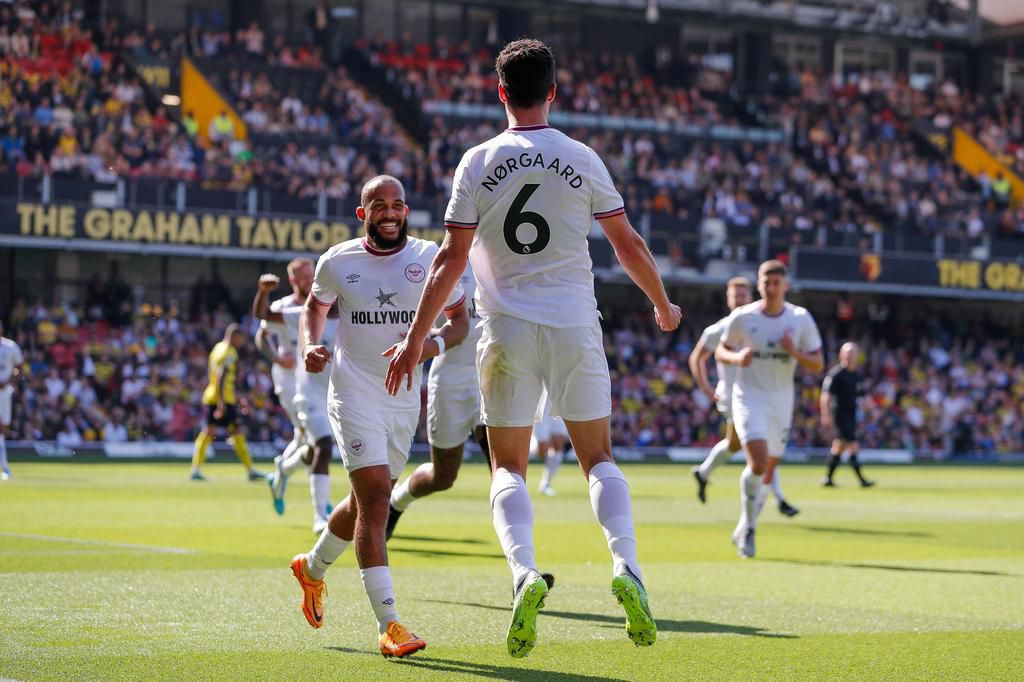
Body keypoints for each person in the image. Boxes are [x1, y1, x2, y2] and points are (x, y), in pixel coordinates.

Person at [383, 38, 682, 658]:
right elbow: (627, 243)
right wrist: (662, 303)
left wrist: (414, 340)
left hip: (505, 330)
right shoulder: (582, 157)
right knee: (598, 459)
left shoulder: (477, 161)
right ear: (553, 92)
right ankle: (627, 566)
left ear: (501, 93)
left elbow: (450, 259)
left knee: (508, 468)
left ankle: (524, 573)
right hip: (574, 324)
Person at [288, 175, 470, 658]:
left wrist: (427, 347)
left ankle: (311, 568)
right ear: (362, 213)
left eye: (397, 205)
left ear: (406, 211)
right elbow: (314, 308)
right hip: (353, 395)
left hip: (403, 399)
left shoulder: (429, 257)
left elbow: (460, 323)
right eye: (379, 205)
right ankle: (390, 625)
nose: (389, 213)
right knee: (374, 502)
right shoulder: (338, 260)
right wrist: (309, 345)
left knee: (365, 501)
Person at [716, 260, 823, 559]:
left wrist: (793, 351)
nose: (771, 288)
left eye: (776, 283)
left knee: (766, 470)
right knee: (759, 462)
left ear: (785, 286)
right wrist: (737, 359)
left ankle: (744, 524)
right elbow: (721, 350)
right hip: (748, 398)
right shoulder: (743, 317)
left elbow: (818, 363)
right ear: (759, 284)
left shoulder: (800, 318)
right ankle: (750, 529)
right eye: (766, 282)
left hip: (781, 402)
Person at [385, 262, 485, 539]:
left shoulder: (508, 259)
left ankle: (521, 559)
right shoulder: (444, 265)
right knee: (443, 477)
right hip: (451, 380)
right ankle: (396, 503)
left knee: (504, 468)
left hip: (494, 377)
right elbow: (415, 316)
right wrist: (422, 337)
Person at [689, 278, 800, 517]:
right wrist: (706, 388)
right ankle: (779, 499)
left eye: (743, 295)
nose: (739, 299)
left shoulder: (760, 324)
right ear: (728, 299)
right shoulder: (718, 329)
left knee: (734, 445)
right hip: (734, 397)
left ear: (751, 296)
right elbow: (697, 357)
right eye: (735, 295)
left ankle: (703, 472)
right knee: (764, 446)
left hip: (759, 394)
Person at [189, 324, 262, 481]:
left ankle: (195, 469)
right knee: (229, 432)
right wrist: (222, 403)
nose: (241, 342)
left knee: (213, 432)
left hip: (216, 397)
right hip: (222, 400)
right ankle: (250, 470)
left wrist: (238, 398)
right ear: (235, 336)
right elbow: (221, 377)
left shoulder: (217, 348)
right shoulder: (228, 353)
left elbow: (220, 378)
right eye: (240, 339)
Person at [820, 342, 875, 488]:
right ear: (841, 354)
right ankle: (862, 480)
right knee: (853, 444)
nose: (850, 355)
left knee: (839, 447)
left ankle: (828, 479)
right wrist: (825, 414)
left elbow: (863, 395)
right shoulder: (836, 374)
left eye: (852, 352)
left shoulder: (856, 375)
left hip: (851, 414)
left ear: (857, 355)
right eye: (847, 352)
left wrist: (872, 410)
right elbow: (825, 395)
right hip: (839, 414)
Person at [0, 321, 24, 480]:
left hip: (4, 394)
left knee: (3, 429)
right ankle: (5, 467)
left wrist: (10, 382)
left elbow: (19, 367)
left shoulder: (10, 347)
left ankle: (5, 467)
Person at [532, 400, 569, 496]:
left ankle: (545, 484)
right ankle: (527, 445)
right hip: (538, 406)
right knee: (542, 449)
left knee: (559, 442)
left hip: (555, 404)